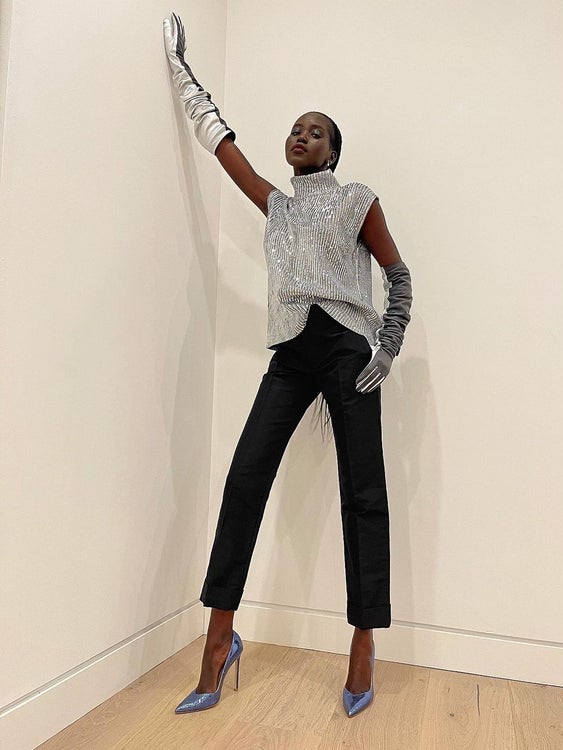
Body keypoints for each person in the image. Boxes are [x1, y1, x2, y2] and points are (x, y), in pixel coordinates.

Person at [163, 12, 412, 718]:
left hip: (349, 351)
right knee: (245, 480)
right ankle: (219, 639)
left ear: (333, 150)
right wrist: (183, 72)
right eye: (296, 129)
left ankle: (363, 642)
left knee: (363, 493)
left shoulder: (357, 200)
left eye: (316, 131)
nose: (301, 135)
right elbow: (222, 144)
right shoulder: (276, 207)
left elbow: (399, 277)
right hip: (292, 356)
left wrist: (387, 347)